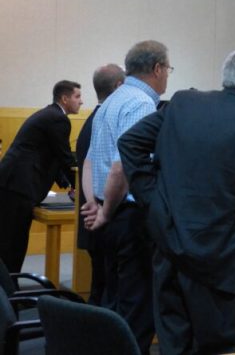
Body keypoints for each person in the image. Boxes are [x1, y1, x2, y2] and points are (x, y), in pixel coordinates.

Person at [118, 47, 235, 354]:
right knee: (214, 346)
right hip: (219, 261)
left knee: (173, 344)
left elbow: (130, 143)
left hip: (168, 247)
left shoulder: (183, 104)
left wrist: (152, 199)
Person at [81, 40, 171, 354]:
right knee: (136, 310)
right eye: (168, 69)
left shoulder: (111, 101)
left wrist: (93, 203)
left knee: (112, 302)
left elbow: (90, 159)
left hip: (107, 209)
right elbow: (123, 166)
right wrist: (106, 211)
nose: (168, 76)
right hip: (127, 217)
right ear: (158, 69)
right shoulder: (141, 104)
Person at [0, 80, 82, 272]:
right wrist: (79, 186)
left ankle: (8, 289)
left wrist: (69, 183)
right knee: (13, 242)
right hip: (19, 185)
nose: (81, 102)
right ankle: (10, 293)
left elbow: (54, 156)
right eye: (77, 96)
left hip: (12, 182)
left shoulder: (50, 115)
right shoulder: (58, 119)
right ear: (64, 98)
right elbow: (65, 158)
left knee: (8, 240)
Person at [75, 64, 125, 305]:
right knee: (104, 289)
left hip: (94, 214)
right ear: (118, 87)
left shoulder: (95, 119)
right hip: (99, 215)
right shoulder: (102, 121)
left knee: (102, 285)